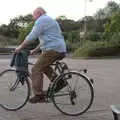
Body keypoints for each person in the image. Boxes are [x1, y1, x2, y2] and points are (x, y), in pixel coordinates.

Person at [15, 7, 67, 103]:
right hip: (59, 48)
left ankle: (39, 95)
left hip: (53, 49)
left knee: (36, 69)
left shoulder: (41, 20)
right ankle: (59, 82)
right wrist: (34, 50)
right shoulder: (50, 20)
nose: (34, 18)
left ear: (39, 13)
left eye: (34, 15)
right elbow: (44, 40)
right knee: (43, 66)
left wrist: (20, 47)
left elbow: (32, 36)